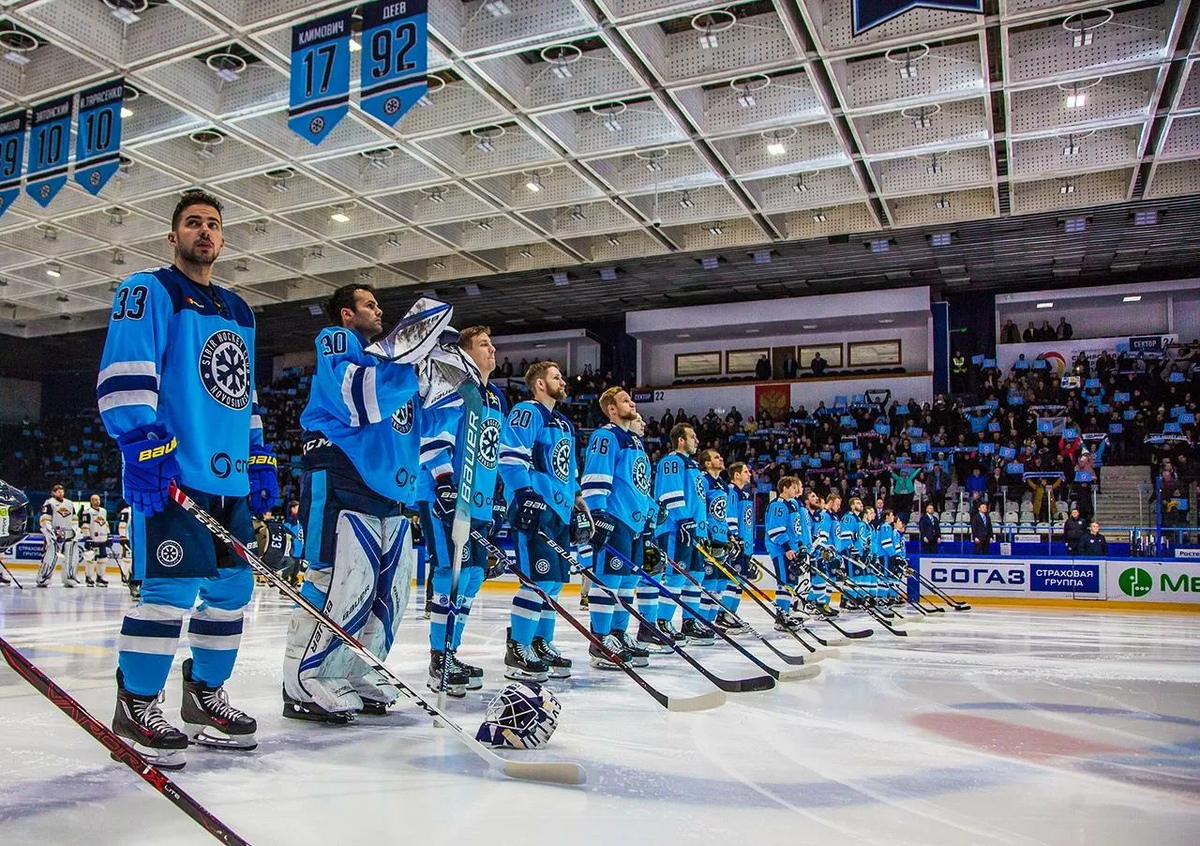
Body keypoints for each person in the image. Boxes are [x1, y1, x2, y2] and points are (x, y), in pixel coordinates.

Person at [98, 191, 273, 769]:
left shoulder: (239, 311)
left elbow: (240, 390)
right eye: (193, 223)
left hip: (228, 480)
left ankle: (203, 697)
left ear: (222, 241)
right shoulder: (149, 290)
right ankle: (137, 703)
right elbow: (127, 367)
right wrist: (141, 442)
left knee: (231, 593)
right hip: (174, 470)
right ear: (173, 238)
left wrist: (258, 455)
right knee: (167, 594)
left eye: (213, 225)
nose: (204, 231)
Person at [282, 285, 444, 721]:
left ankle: (353, 669)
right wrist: (410, 364)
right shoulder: (338, 340)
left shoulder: (388, 365)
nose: (379, 311)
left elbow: (417, 421)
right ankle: (302, 680)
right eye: (369, 304)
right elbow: (356, 399)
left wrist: (455, 389)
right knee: (332, 574)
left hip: (382, 484)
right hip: (336, 469)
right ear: (347, 314)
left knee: (382, 587)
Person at [418, 324, 506, 696]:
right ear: (465, 352)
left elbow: (491, 451)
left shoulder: (496, 397)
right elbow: (432, 433)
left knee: (470, 576)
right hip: (448, 494)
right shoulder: (454, 383)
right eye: (484, 344)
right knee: (449, 574)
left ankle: (451, 650)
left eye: (492, 343)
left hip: (479, 499)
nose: (493, 350)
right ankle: (440, 659)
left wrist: (498, 493)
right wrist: (443, 484)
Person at [499, 361, 584, 681]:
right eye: (556, 377)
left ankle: (541, 642)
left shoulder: (563, 423)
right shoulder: (528, 411)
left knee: (555, 583)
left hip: (560, 511)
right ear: (538, 384)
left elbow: (570, 470)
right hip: (536, 506)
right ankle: (517, 647)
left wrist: (578, 505)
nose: (562, 381)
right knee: (536, 580)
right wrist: (524, 494)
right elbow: (509, 455)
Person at [580, 387, 652, 668]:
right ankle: (600, 639)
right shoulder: (606, 436)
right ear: (611, 409)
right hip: (616, 517)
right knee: (608, 580)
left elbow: (639, 483)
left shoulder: (634, 441)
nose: (631, 402)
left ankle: (618, 633)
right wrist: (597, 512)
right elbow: (596, 475)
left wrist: (650, 513)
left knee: (627, 583)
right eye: (625, 400)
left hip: (634, 522)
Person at [651, 423, 711, 645]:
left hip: (694, 529)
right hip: (677, 528)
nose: (697, 441)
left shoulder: (692, 465)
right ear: (681, 440)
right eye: (692, 437)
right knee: (676, 576)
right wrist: (684, 520)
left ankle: (689, 622)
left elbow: (699, 500)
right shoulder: (672, 461)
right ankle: (663, 621)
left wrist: (701, 527)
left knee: (696, 576)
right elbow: (670, 493)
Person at [717, 461, 754, 630]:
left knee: (740, 581)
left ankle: (732, 612)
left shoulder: (744, 494)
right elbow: (729, 516)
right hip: (737, 543)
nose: (749, 474)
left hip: (745, 544)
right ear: (737, 475)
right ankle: (724, 613)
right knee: (732, 579)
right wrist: (735, 538)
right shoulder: (731, 492)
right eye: (746, 471)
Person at [764, 476, 804, 629]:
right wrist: (787, 548)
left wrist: (799, 546)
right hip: (781, 550)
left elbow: (795, 529)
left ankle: (786, 613)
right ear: (785, 488)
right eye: (794, 487)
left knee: (790, 582)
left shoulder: (792, 504)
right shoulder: (778, 505)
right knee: (784, 582)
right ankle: (781, 617)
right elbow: (775, 530)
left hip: (791, 549)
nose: (796, 490)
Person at [37, 484, 80, 587]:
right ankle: (43, 578)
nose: (60, 493)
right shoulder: (49, 503)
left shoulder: (69, 504)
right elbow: (45, 519)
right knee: (51, 557)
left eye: (62, 491)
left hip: (69, 534)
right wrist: (50, 531)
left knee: (71, 557)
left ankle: (69, 578)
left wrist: (75, 531)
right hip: (55, 534)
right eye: (58, 491)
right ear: (54, 492)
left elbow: (74, 519)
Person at [79, 494, 113, 587]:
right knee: (91, 559)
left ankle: (100, 577)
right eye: (95, 500)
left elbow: (105, 524)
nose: (97, 501)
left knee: (103, 559)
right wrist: (87, 537)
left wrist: (108, 535)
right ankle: (89, 577)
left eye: (98, 500)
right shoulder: (87, 512)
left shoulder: (103, 511)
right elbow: (85, 525)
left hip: (102, 539)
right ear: (91, 501)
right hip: (93, 540)